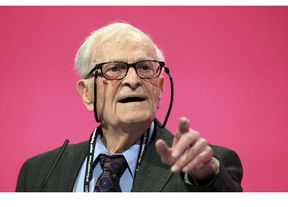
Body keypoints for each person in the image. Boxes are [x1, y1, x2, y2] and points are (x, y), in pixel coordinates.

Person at [16, 22, 243, 192]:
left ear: (160, 88)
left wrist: (206, 176)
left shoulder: (205, 167)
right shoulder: (38, 173)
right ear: (87, 93)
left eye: (144, 67)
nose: (133, 80)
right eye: (114, 69)